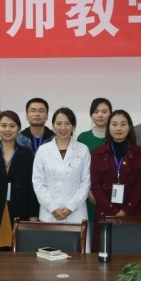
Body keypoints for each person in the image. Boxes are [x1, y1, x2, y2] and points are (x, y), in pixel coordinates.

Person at [0, 110, 39, 250]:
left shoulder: (27, 154)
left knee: (20, 251)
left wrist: (33, 213)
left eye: (12, 126)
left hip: (19, 208)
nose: (8, 130)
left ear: (19, 128)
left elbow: (32, 186)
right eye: (3, 125)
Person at [32, 107, 92, 250]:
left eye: (67, 123)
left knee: (77, 256)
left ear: (73, 126)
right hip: (49, 214)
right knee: (50, 256)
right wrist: (53, 208)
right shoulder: (43, 150)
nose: (63, 128)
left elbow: (86, 182)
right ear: (53, 126)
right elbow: (38, 182)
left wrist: (70, 208)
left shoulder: (83, 149)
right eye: (59, 123)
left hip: (76, 213)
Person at [90, 109, 141, 251]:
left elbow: (140, 185)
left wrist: (126, 210)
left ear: (129, 127)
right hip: (104, 213)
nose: (118, 128)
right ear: (108, 127)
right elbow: (96, 187)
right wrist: (112, 210)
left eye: (123, 124)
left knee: (130, 254)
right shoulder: (98, 153)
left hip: (131, 213)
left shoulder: (139, 153)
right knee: (104, 254)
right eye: (114, 124)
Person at [76, 97, 112, 237]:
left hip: (112, 196)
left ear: (110, 114)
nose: (100, 115)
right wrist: (88, 192)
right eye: (96, 112)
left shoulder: (116, 137)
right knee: (91, 239)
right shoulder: (83, 138)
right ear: (91, 114)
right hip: (89, 197)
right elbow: (78, 170)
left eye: (104, 111)